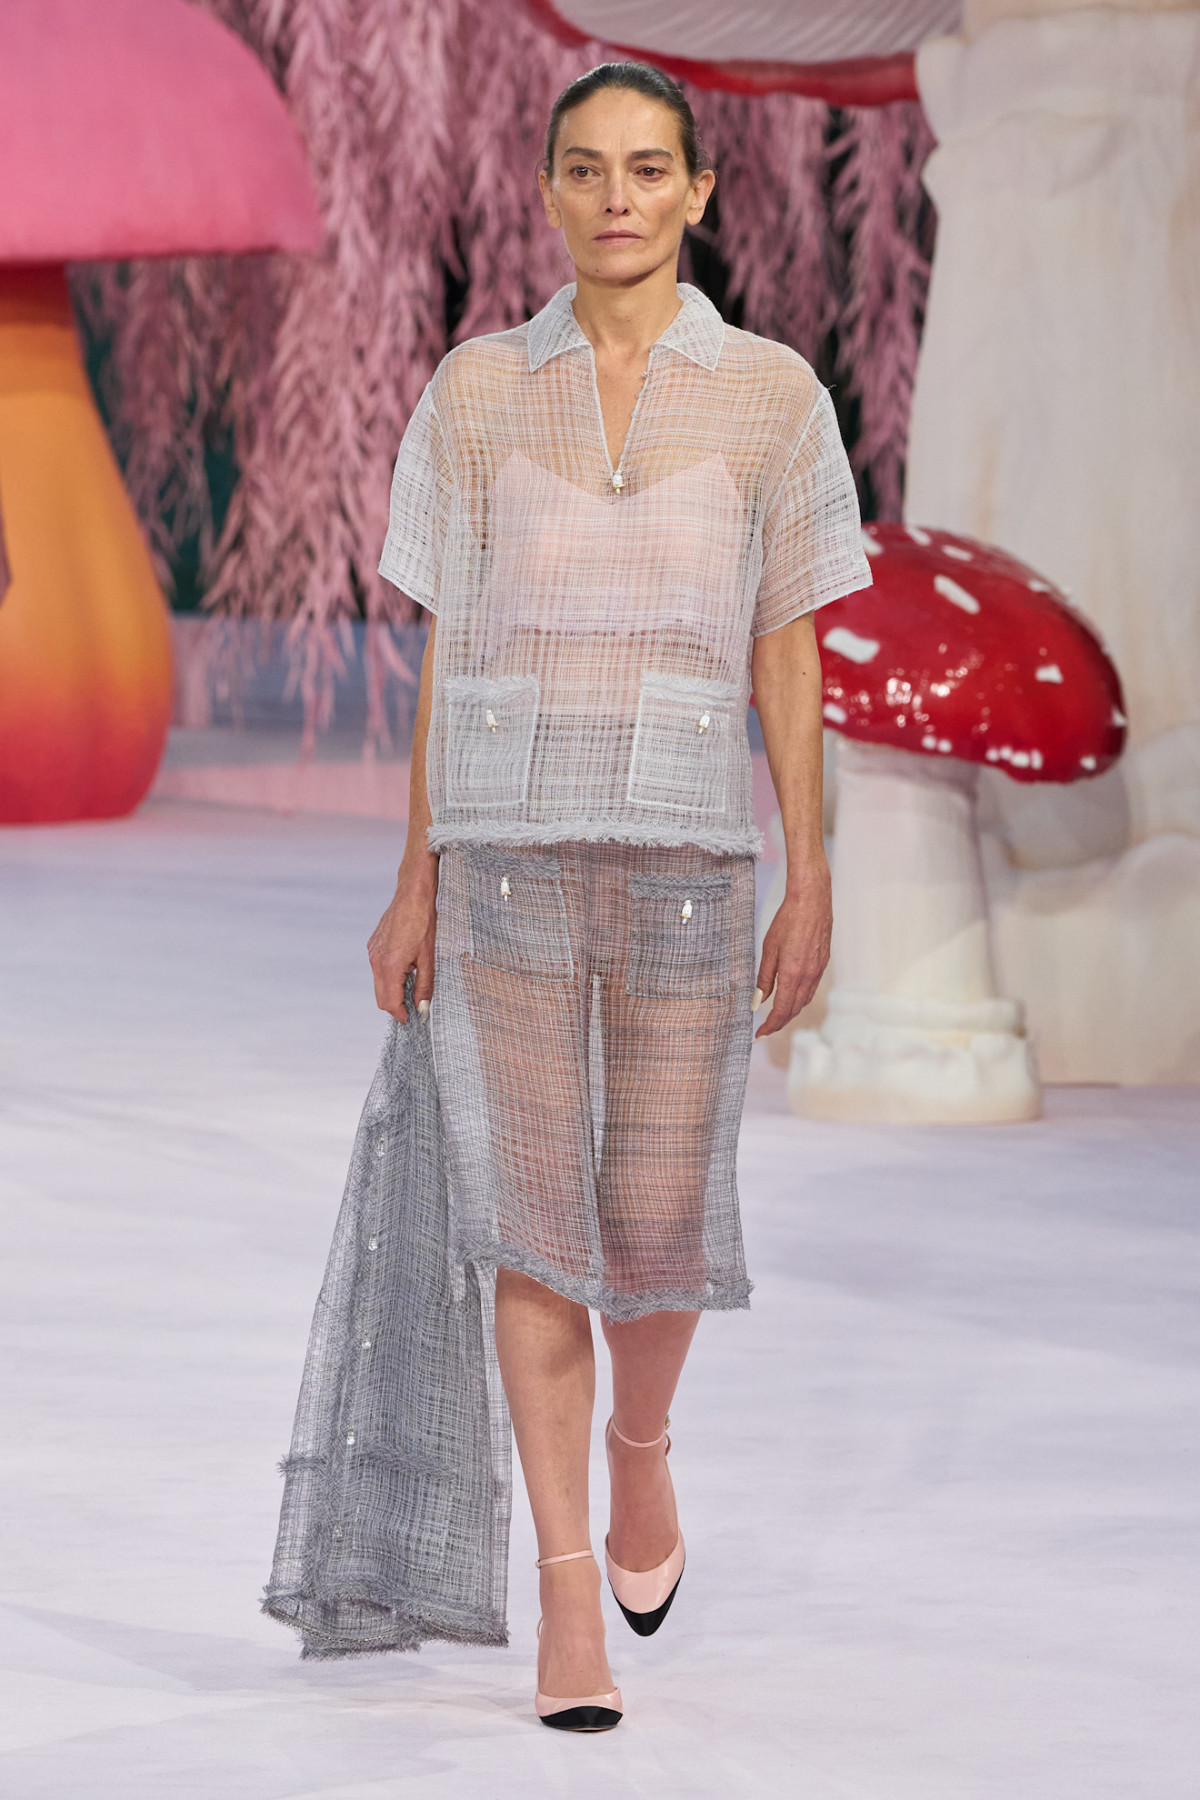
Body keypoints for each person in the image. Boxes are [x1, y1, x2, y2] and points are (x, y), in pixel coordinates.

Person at [367, 61, 870, 1733]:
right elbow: (449, 647)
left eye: (649, 169)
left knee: (656, 1238)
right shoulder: (476, 391)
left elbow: (788, 644)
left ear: (700, 191)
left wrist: (811, 868)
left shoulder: (773, 398)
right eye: (585, 169)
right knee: (534, 1228)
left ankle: (640, 1448)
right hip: (507, 853)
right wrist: (415, 873)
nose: (617, 199)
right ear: (546, 189)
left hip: (691, 870)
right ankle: (568, 1591)